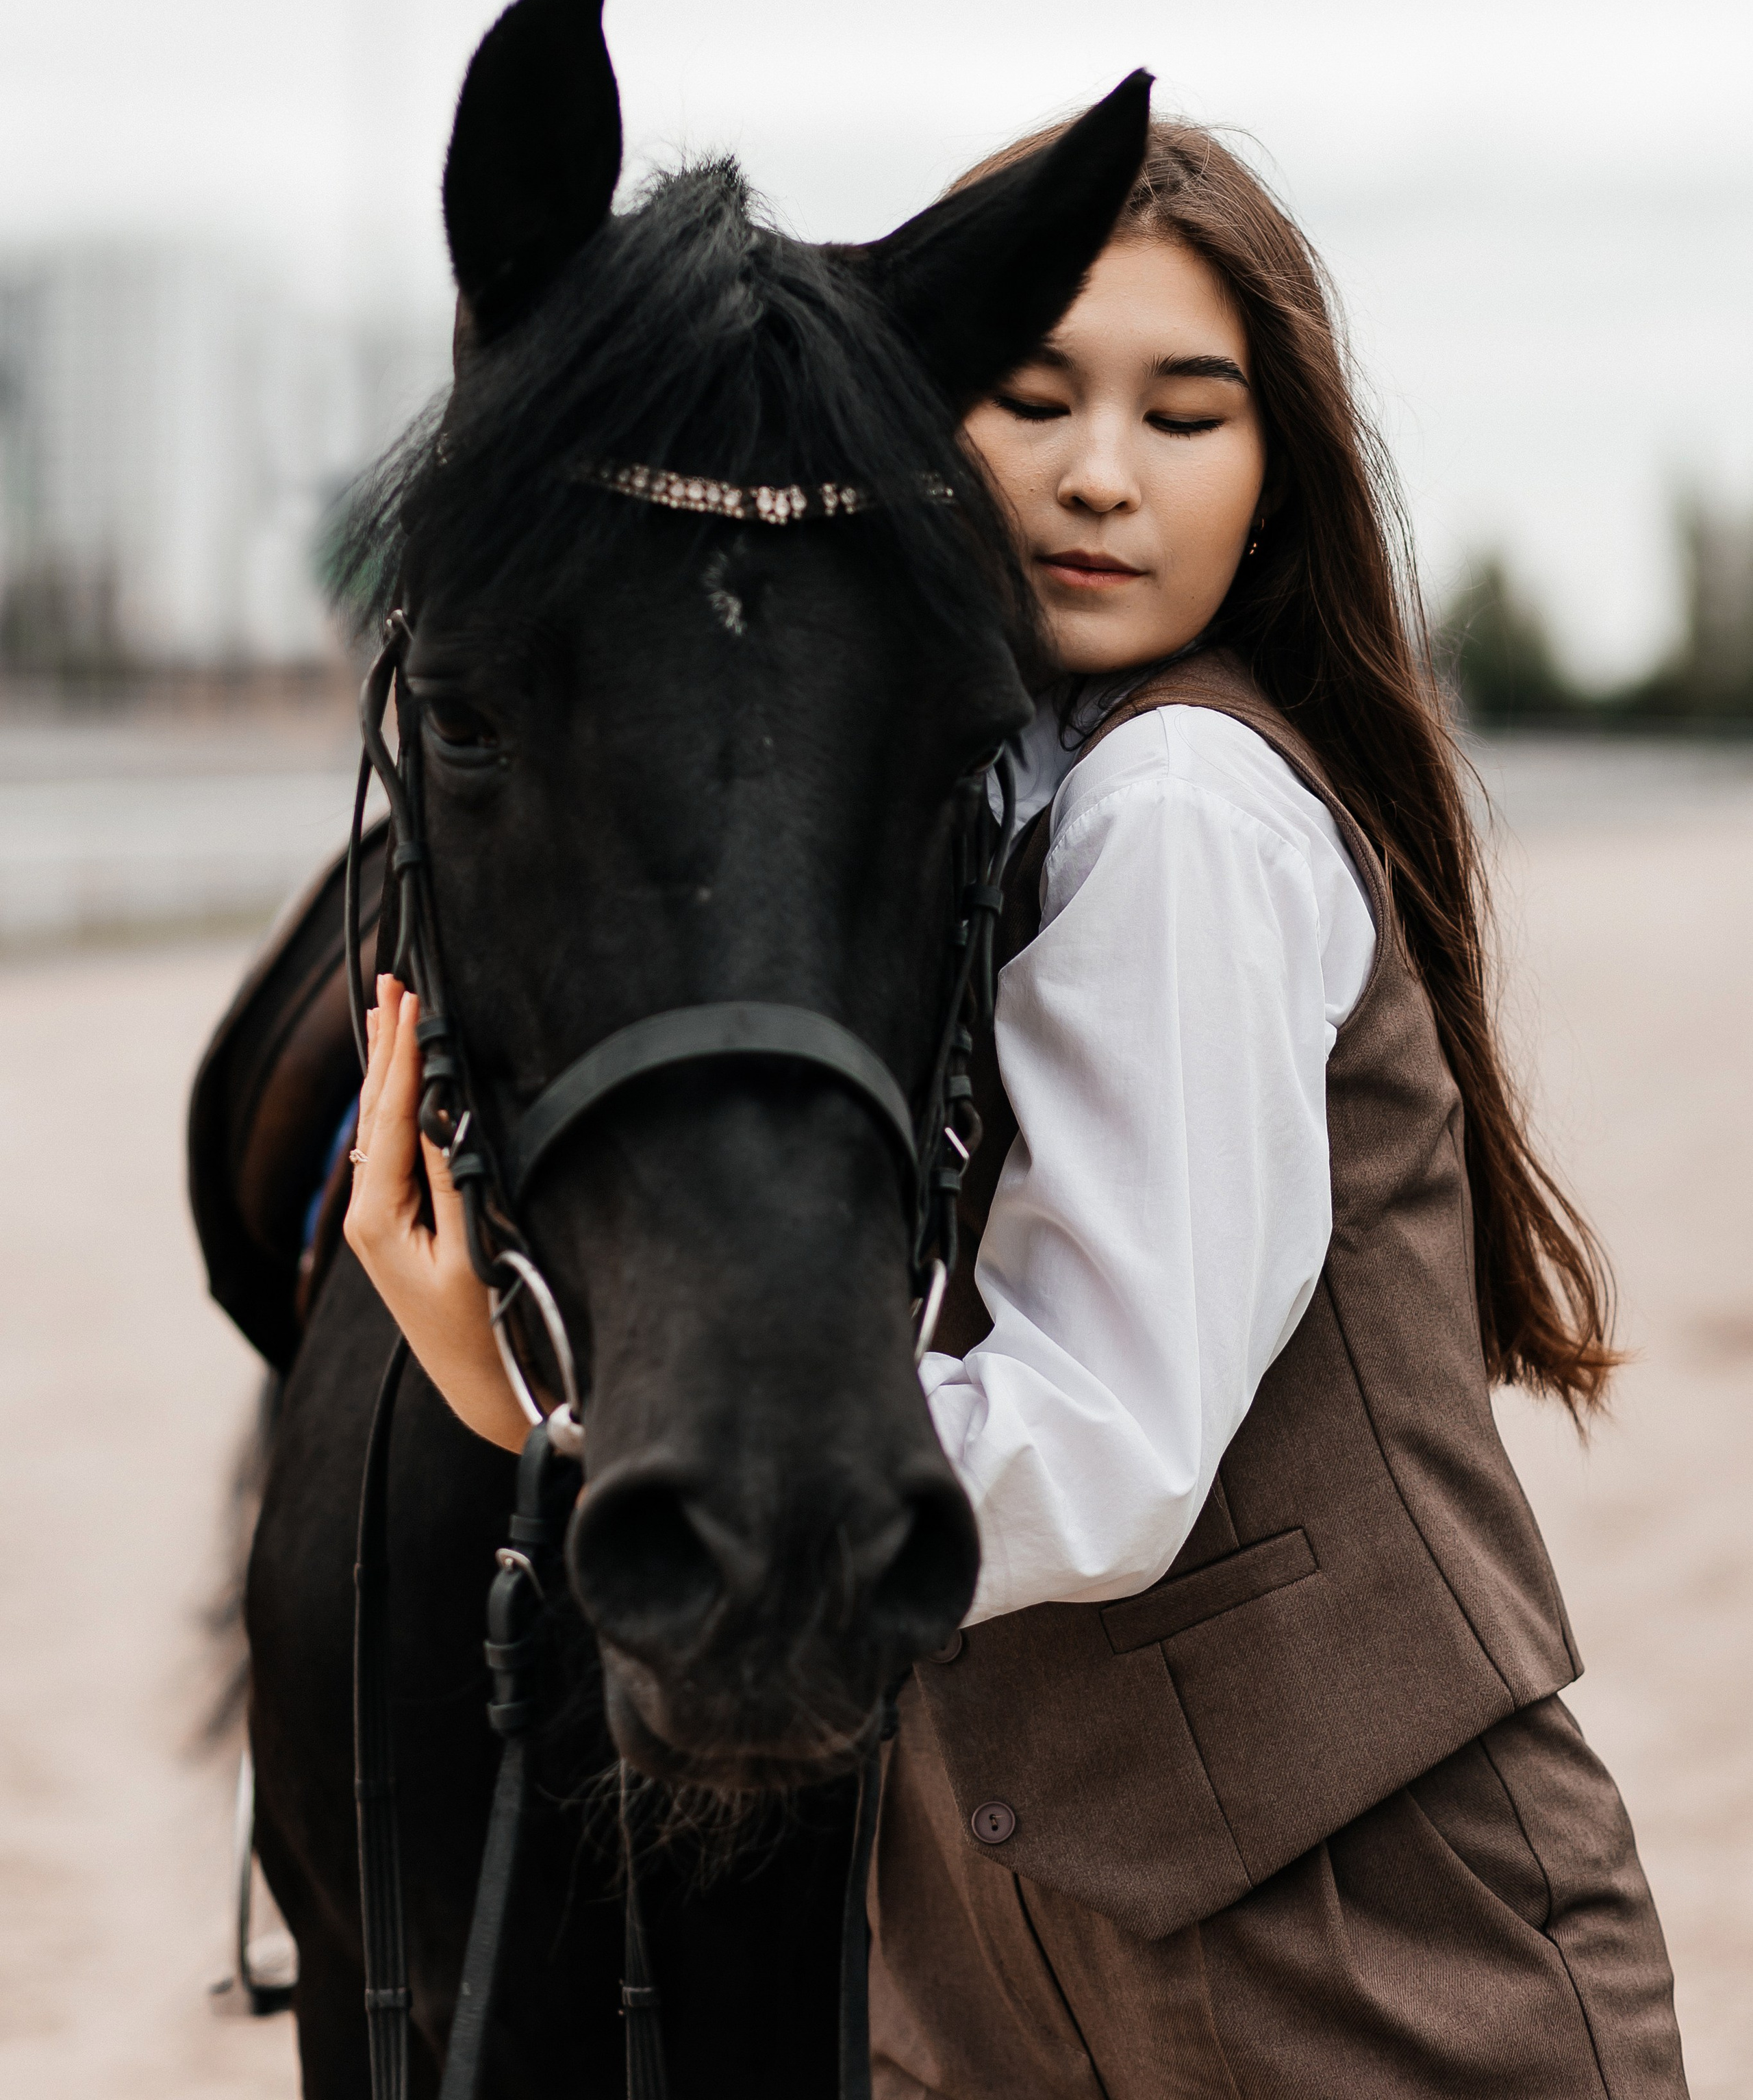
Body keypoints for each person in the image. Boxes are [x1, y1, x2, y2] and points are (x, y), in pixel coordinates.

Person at [346, 116, 1687, 2097]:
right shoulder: (992, 788)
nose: (1096, 473)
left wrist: (546, 1402)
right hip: (1010, 1983)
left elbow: (1114, 1449)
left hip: (1367, 1983)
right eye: (1032, 396)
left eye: (1188, 412)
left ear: (1277, 474)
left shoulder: (1180, 809)